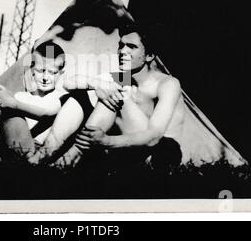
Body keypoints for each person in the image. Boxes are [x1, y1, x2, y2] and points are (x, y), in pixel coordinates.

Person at [51, 24, 184, 170]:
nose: (122, 51)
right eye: (121, 45)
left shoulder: (168, 83)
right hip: (124, 148)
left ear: (150, 56)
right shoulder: (122, 78)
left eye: (131, 46)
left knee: (116, 92)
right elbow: (69, 82)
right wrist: (97, 83)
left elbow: (154, 137)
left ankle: (68, 159)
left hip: (158, 154)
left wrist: (107, 141)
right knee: (106, 90)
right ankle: (55, 154)